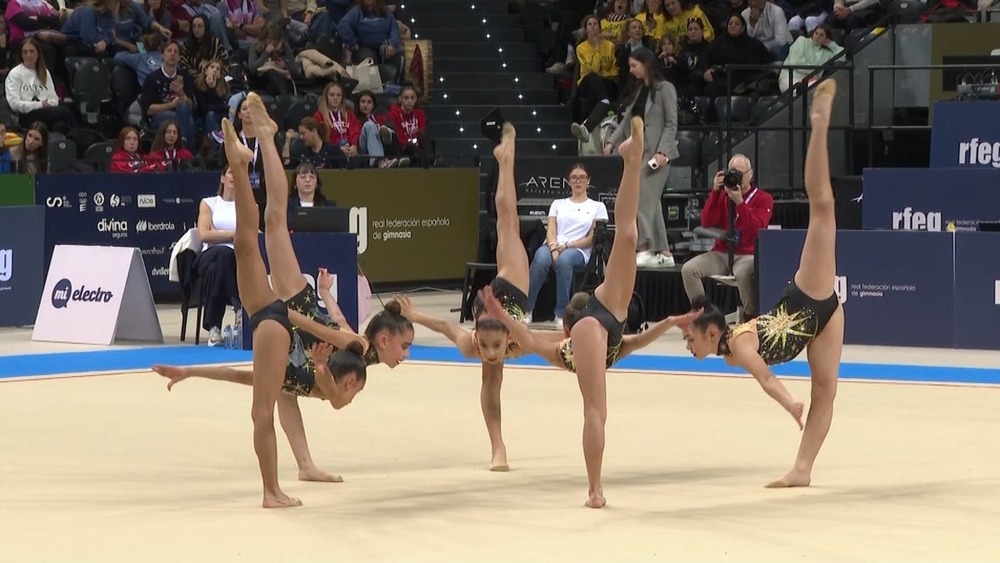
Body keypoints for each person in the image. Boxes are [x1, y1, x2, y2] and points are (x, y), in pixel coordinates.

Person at [154, 92, 415, 504]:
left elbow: (332, 335)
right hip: (292, 315)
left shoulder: (344, 364)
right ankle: (265, 141)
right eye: (405, 346)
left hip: (291, 325)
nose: (406, 355)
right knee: (273, 222)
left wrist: (326, 298)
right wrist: (308, 312)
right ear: (383, 340)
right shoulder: (356, 354)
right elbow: (335, 335)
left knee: (253, 236)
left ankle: (244, 163)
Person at [476, 116, 701, 508]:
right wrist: (669, 322)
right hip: (609, 318)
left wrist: (501, 312)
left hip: (601, 319)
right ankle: (631, 160)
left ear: (567, 327)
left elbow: (528, 339)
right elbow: (632, 342)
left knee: (595, 410)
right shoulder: (589, 347)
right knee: (628, 234)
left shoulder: (570, 349)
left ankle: (594, 489)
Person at [680, 80, 843, 489]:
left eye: (689, 339)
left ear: (713, 331)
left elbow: (767, 379)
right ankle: (802, 469)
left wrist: (790, 404)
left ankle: (819, 124)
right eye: (688, 339)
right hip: (822, 320)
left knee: (822, 211)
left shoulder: (739, 345)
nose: (687, 344)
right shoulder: (729, 350)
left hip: (807, 297)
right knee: (826, 392)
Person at [393, 122, 559, 473]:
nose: (491, 353)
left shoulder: (512, 341)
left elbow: (557, 338)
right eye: (487, 347)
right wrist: (418, 316)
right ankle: (498, 449)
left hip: (509, 283)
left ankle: (506, 157)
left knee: (507, 221)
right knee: (490, 383)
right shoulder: (483, 344)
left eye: (493, 347)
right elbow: (447, 328)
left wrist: (415, 314)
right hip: (506, 292)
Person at [682, 154, 772, 322]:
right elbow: (707, 221)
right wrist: (715, 192)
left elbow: (757, 229)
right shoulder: (724, 195)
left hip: (748, 254)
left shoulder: (763, 199)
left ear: (750, 174)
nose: (736, 177)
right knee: (689, 269)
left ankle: (750, 316)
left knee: (742, 273)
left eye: (741, 173)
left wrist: (740, 203)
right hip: (722, 252)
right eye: (733, 172)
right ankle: (704, 314)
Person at [522, 163, 609, 328]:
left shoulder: (598, 207)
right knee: (540, 260)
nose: (578, 181)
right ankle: (527, 310)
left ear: (588, 181)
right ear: (569, 181)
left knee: (564, 261)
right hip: (553, 244)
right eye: (574, 178)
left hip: (578, 249)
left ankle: (561, 314)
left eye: (582, 178)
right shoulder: (558, 204)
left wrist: (567, 246)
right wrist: (554, 247)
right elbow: (551, 230)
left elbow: (592, 239)